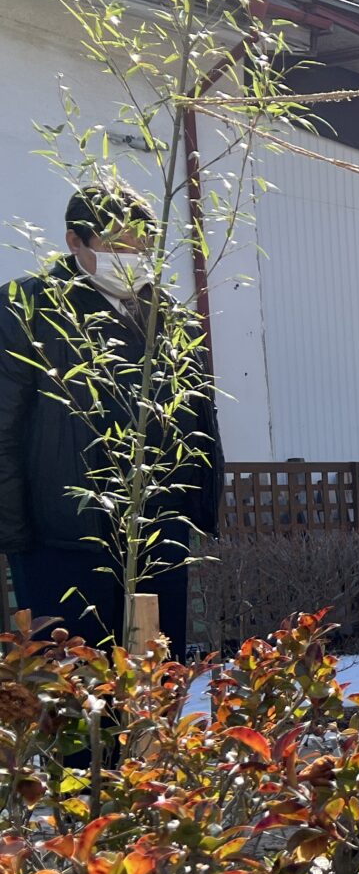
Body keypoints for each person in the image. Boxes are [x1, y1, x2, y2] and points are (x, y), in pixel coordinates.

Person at [0, 185, 224, 650]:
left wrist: (196, 507)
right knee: (76, 679)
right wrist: (15, 533)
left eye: (142, 243)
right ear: (74, 241)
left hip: (159, 527)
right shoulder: (27, 308)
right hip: (63, 532)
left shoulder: (171, 318)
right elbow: (4, 426)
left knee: (157, 673)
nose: (132, 255)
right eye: (117, 243)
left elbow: (197, 415)